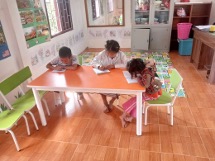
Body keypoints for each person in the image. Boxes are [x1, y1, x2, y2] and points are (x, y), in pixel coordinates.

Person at [120, 58, 162, 128]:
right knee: (137, 101)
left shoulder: (146, 74)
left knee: (135, 101)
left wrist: (138, 79)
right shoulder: (145, 67)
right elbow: (152, 62)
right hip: (153, 90)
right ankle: (131, 117)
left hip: (151, 94)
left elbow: (146, 85)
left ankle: (123, 116)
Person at [91, 40, 128, 113]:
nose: (110, 54)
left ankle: (111, 101)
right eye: (108, 52)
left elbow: (126, 64)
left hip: (117, 76)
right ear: (106, 50)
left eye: (113, 53)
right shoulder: (102, 53)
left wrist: (114, 66)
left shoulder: (121, 54)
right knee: (101, 87)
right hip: (105, 75)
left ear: (117, 51)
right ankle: (105, 103)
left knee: (119, 88)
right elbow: (93, 62)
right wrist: (99, 66)